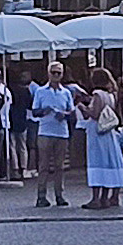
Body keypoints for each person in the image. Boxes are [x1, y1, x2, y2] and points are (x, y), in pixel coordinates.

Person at [29, 60, 76, 207]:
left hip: (61, 133)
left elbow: (72, 112)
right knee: (43, 166)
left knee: (59, 166)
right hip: (45, 132)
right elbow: (34, 111)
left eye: (58, 73)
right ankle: (41, 195)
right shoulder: (40, 91)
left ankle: (59, 195)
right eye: (53, 72)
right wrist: (45, 111)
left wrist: (64, 114)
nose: (56, 75)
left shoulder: (66, 92)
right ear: (48, 73)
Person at [81, 69, 123, 210]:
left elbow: (95, 114)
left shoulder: (97, 94)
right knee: (107, 163)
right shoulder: (111, 95)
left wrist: (82, 106)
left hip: (97, 132)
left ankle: (96, 198)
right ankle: (105, 197)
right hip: (108, 132)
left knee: (96, 163)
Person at [7, 69, 36, 181]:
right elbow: (30, 105)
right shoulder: (25, 91)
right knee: (23, 146)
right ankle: (24, 168)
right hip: (22, 119)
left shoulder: (9, 90)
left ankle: (15, 168)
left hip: (11, 119)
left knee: (12, 146)